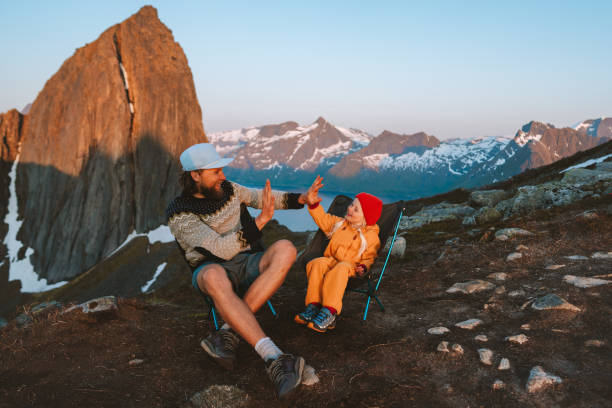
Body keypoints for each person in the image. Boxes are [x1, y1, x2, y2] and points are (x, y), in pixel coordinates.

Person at [166, 143, 314, 399]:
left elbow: (261, 197)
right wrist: (260, 221)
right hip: (211, 269)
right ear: (195, 175)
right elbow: (219, 249)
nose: (223, 175)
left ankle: (227, 332)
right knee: (213, 276)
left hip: (247, 261)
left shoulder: (228, 189)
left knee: (286, 249)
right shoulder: (179, 213)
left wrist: (301, 199)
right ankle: (273, 357)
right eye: (216, 171)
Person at [295, 176, 382, 332]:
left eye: (356, 209)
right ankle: (314, 305)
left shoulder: (371, 237)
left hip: (350, 267)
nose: (349, 209)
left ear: (366, 217)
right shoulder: (340, 224)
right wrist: (314, 204)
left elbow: (370, 257)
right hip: (331, 260)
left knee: (341, 268)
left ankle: (329, 311)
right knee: (317, 263)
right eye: (351, 205)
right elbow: (322, 219)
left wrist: (364, 266)